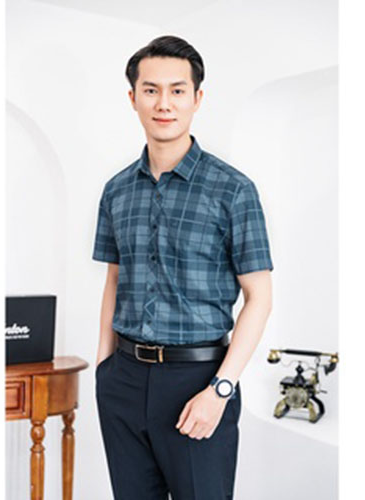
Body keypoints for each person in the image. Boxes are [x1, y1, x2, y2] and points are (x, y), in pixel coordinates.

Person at [92, 35, 274, 500]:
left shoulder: (233, 190)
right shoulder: (116, 191)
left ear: (197, 98)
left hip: (198, 381)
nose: (164, 103)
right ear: (133, 98)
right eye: (151, 90)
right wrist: (104, 371)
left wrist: (221, 388)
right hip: (123, 379)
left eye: (177, 90)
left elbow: (259, 297)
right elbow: (115, 280)